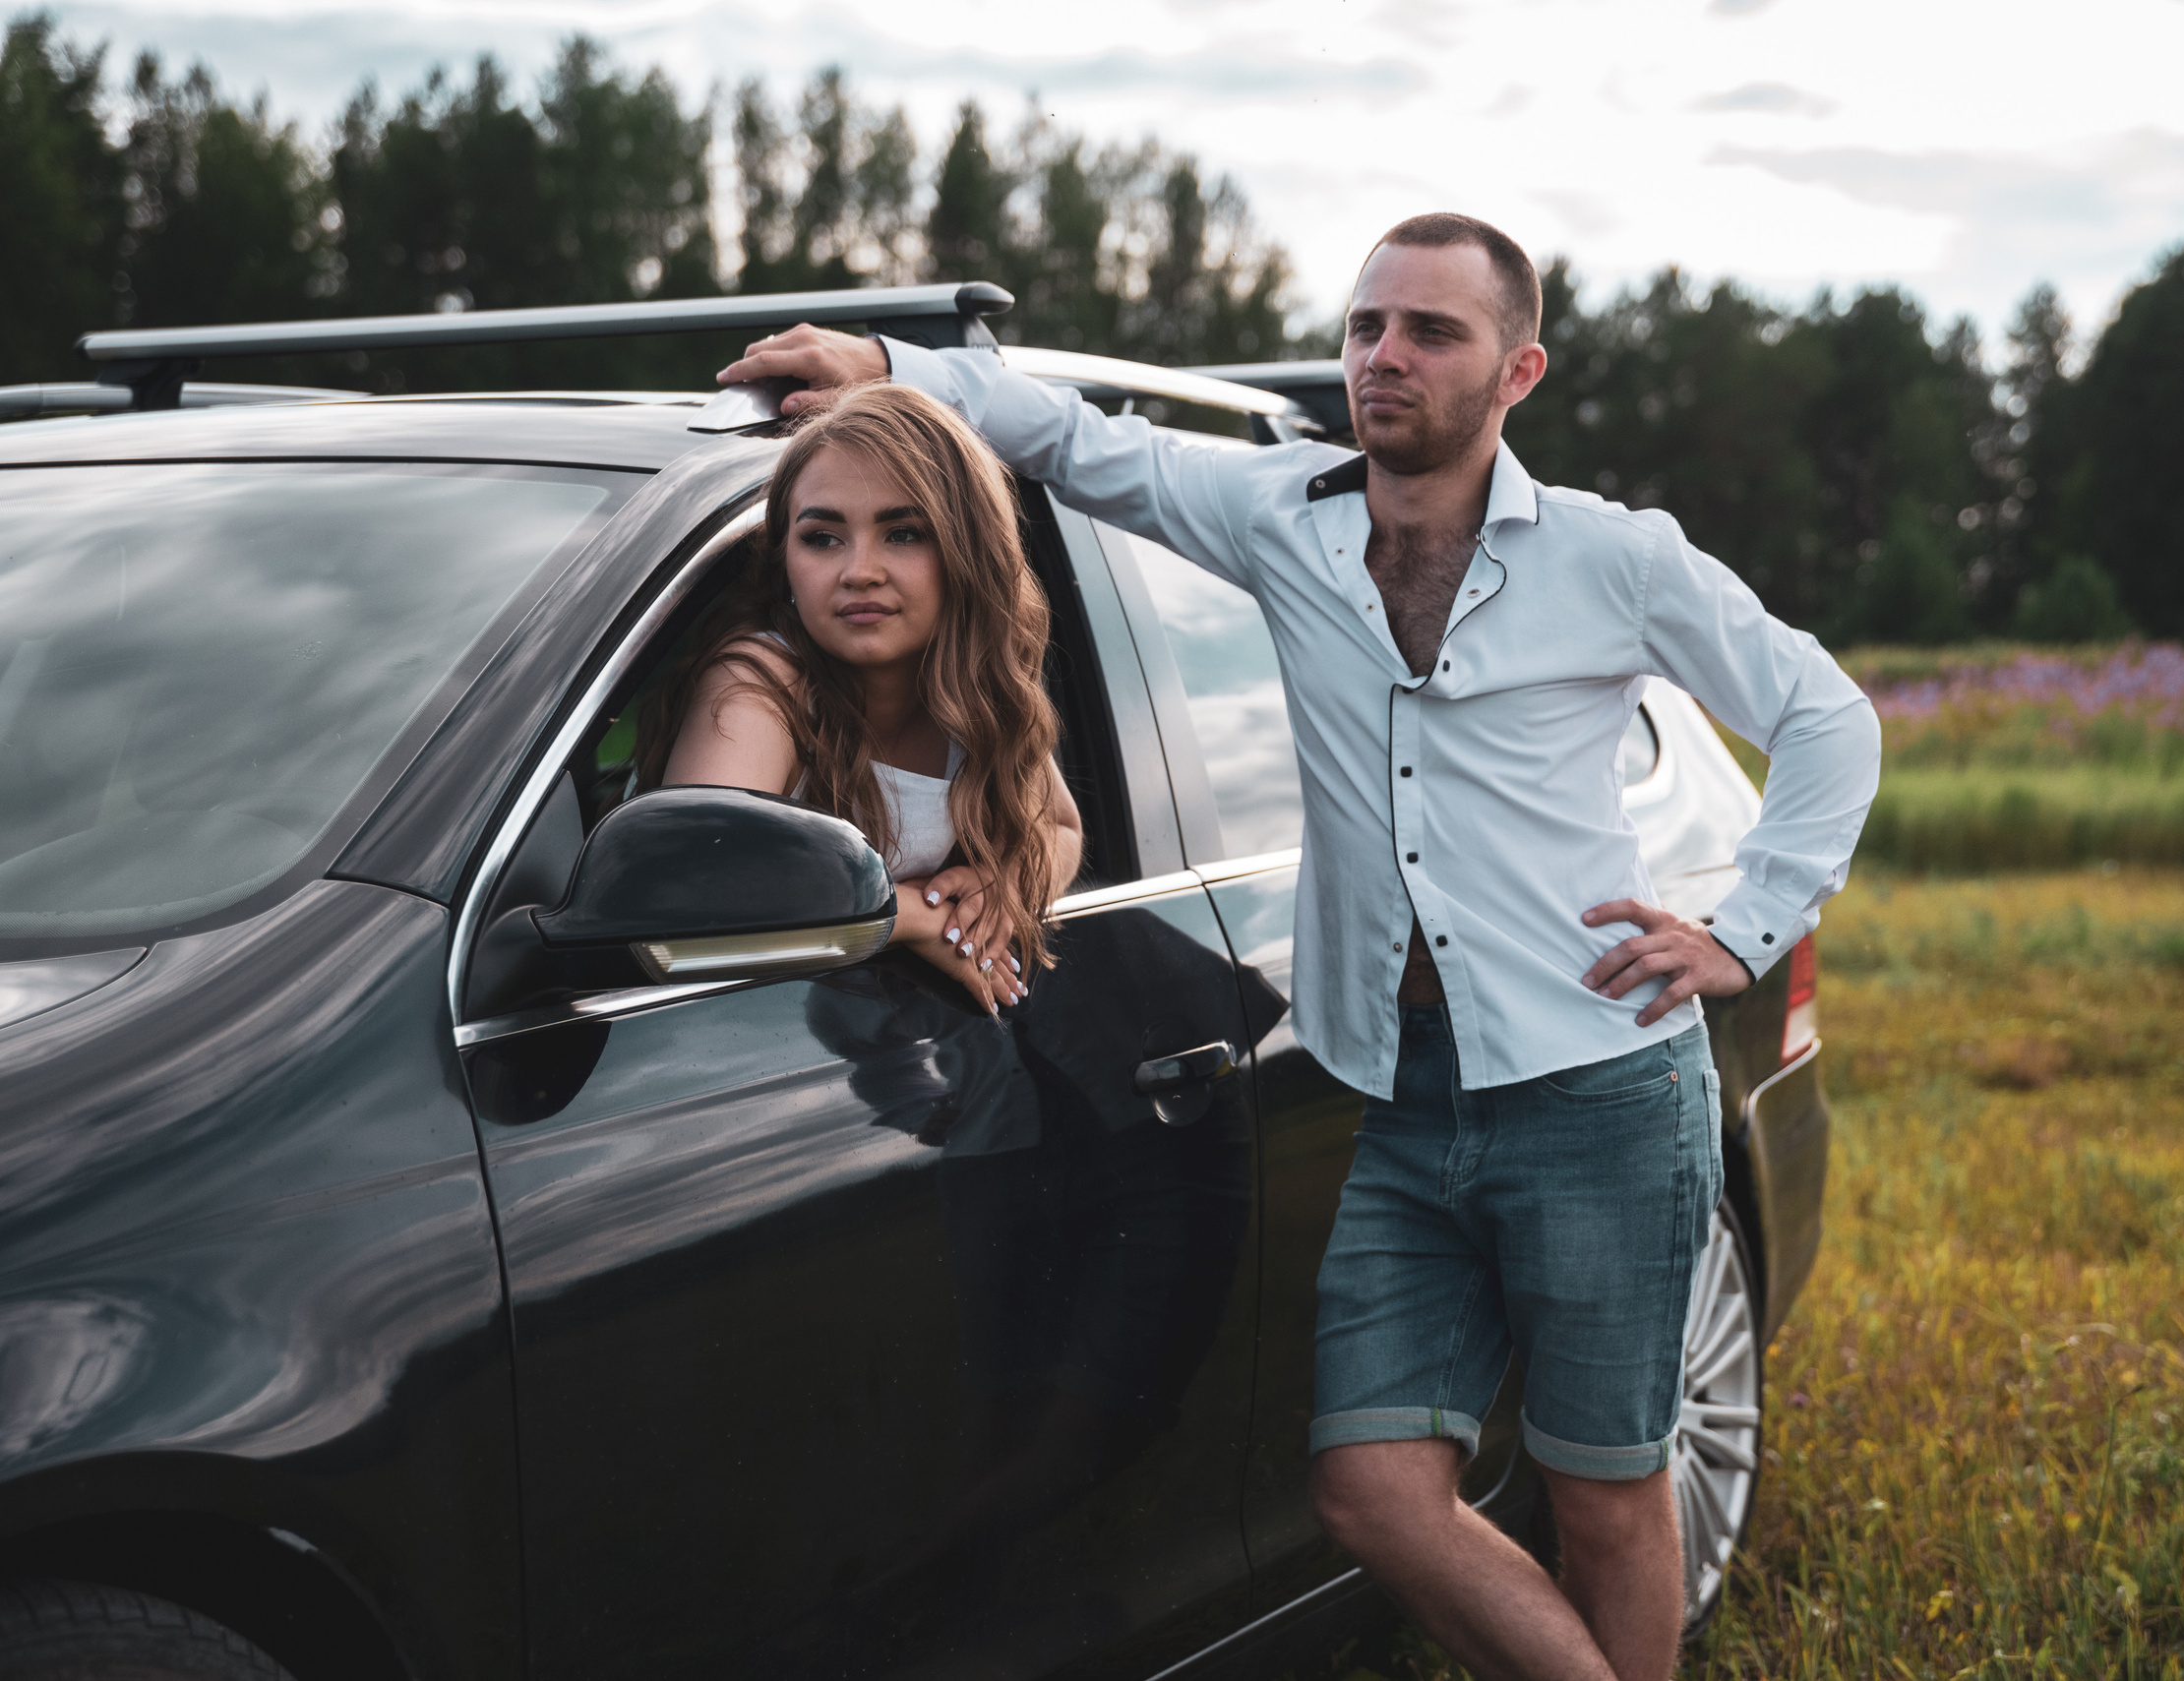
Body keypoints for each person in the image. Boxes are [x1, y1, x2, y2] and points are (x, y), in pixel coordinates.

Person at [716, 213, 1880, 1681]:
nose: (1384, 356)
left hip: (1597, 1087)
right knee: (1371, 1490)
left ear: (1518, 369)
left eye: (1431, 333)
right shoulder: (1286, 517)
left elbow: (1829, 718)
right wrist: (892, 360)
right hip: (1400, 1088)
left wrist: (1739, 928)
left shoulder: (1616, 558)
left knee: (1601, 1487)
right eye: (1367, 325)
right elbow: (1081, 444)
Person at [638, 382, 1084, 1016]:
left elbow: (1061, 828)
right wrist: (911, 918)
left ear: (969, 551)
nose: (859, 571)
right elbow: (687, 907)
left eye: (903, 533)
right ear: (784, 559)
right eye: (822, 538)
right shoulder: (762, 683)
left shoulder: (976, 687)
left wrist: (1006, 883)